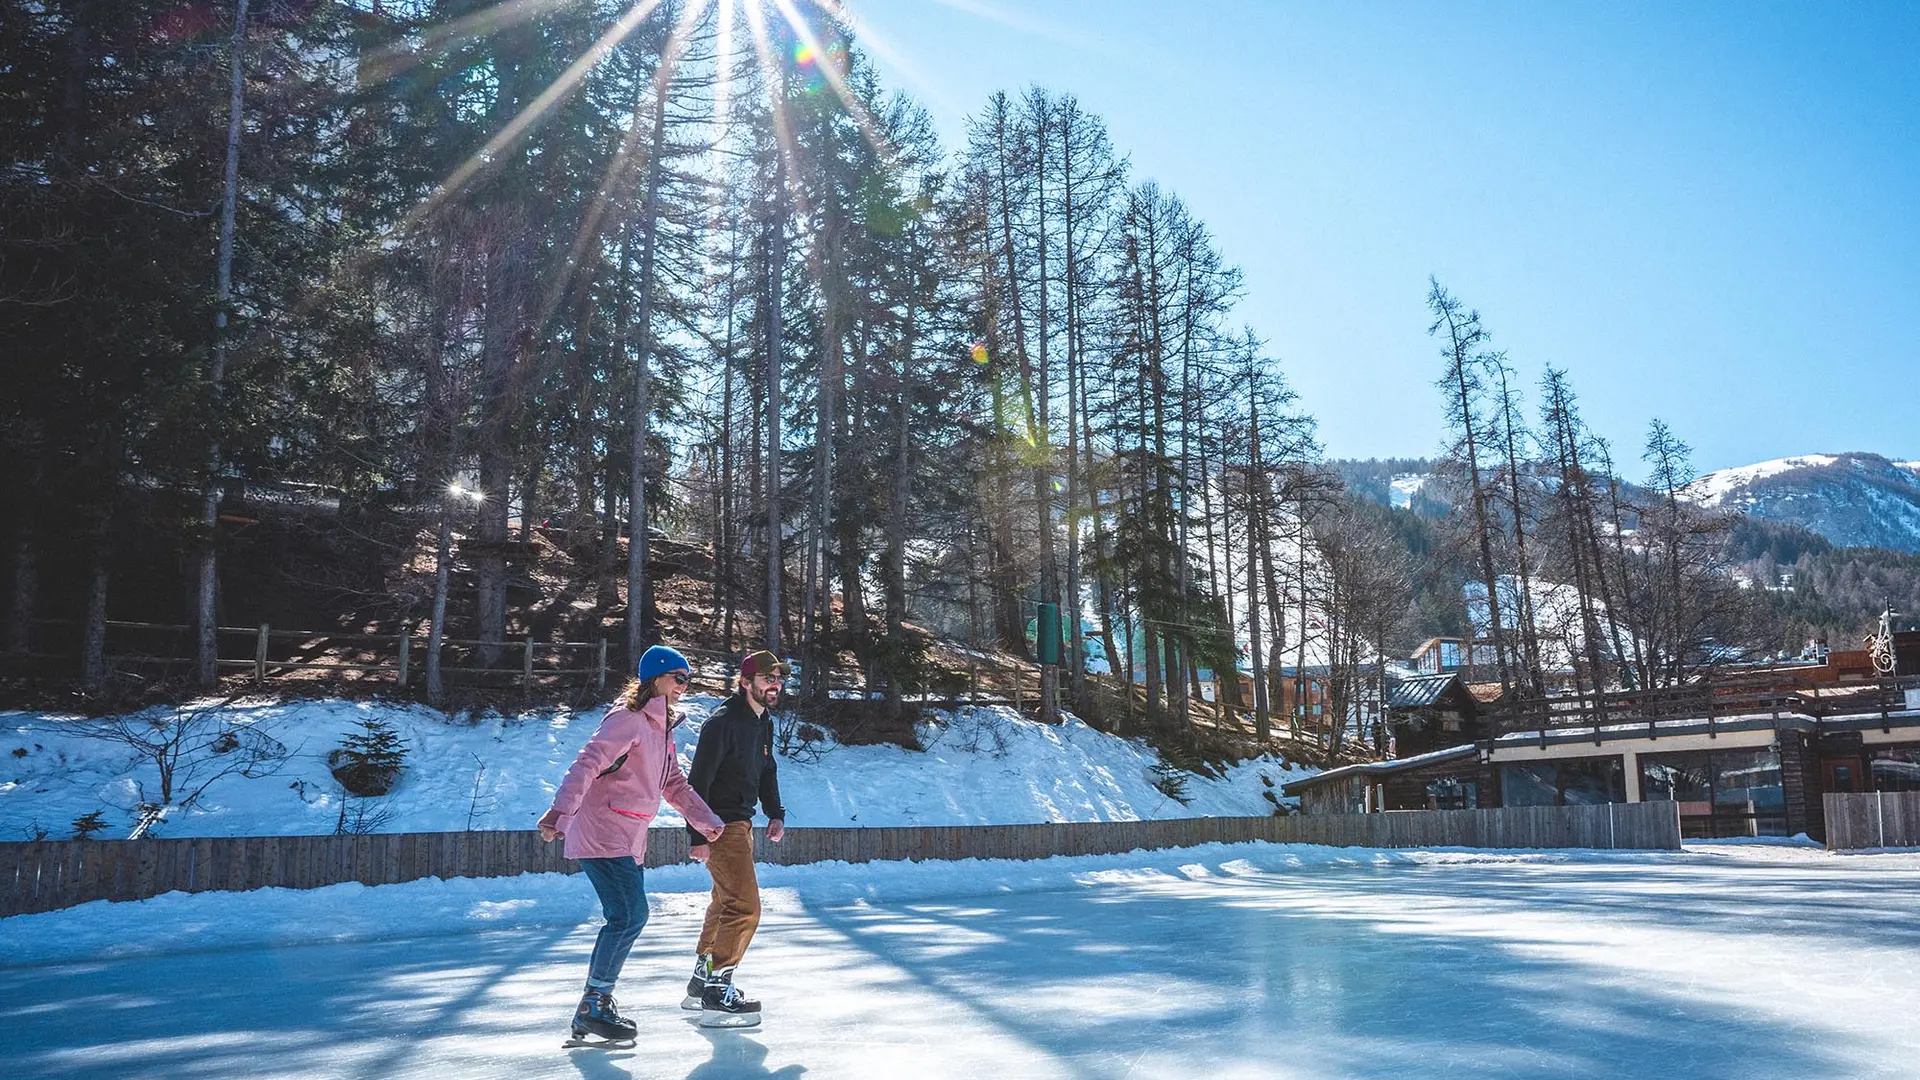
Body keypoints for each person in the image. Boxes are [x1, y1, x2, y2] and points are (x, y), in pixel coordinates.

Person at [538, 644, 726, 1045]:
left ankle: (593, 1004)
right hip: (602, 831)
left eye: (687, 680)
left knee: (626, 916)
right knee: (629, 915)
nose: (684, 687)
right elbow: (587, 763)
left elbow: (673, 783)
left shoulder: (662, 730)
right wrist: (560, 812)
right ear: (656, 678)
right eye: (679, 678)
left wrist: (705, 820)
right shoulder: (626, 720)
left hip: (627, 836)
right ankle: (594, 1004)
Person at [680, 649, 790, 1028]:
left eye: (777, 678)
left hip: (741, 825)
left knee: (725, 902)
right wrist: (698, 834)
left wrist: (775, 811)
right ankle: (717, 987)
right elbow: (698, 782)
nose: (774, 684)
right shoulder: (722, 723)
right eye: (767, 678)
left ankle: (701, 978)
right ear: (746, 682)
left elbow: (767, 768)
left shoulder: (763, 721)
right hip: (719, 825)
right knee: (745, 907)